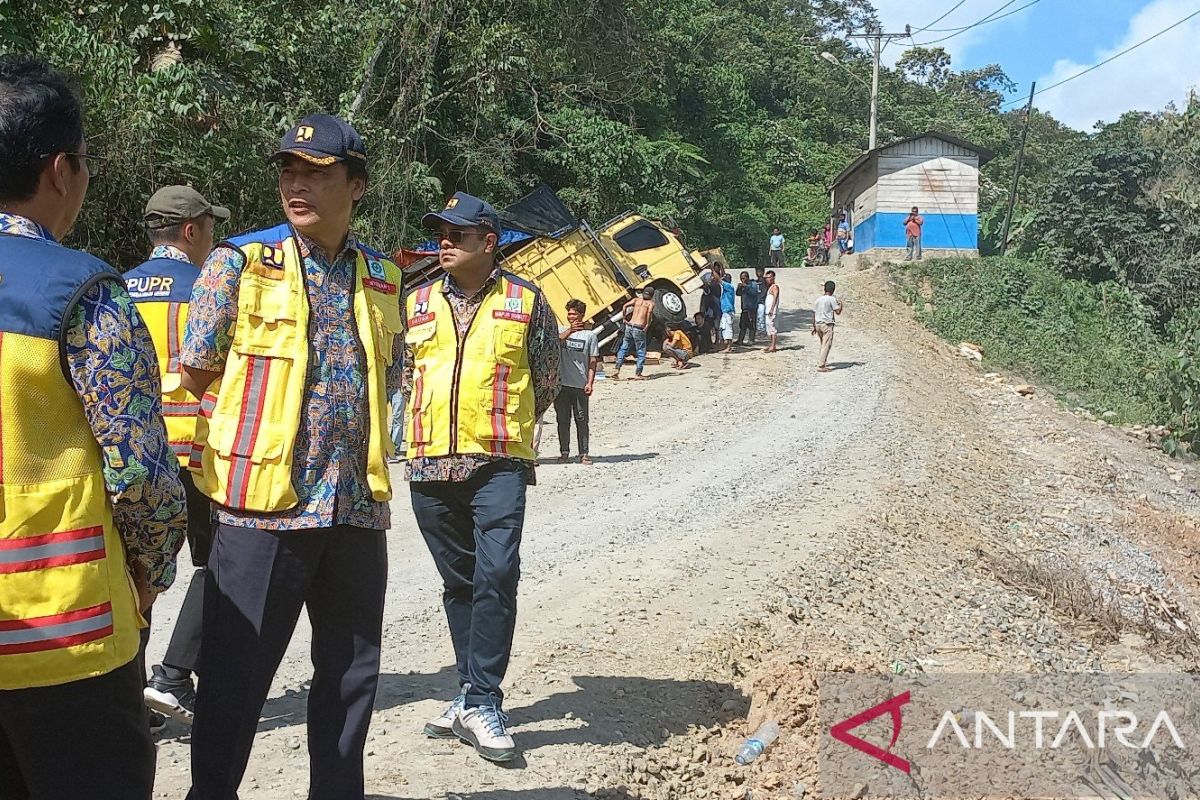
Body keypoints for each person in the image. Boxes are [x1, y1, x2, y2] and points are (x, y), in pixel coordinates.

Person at [181, 114, 404, 800]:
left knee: (349, 679)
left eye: (316, 172)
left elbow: (387, 381)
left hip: (355, 509)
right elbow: (195, 371)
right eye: (288, 171)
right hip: (261, 510)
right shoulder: (241, 264)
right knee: (234, 679)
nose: (296, 184)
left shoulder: (385, 276)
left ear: (356, 185)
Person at [0, 55, 187, 800]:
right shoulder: (83, 292)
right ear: (60, 169)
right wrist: (152, 569)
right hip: (66, 637)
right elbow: (138, 469)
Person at [404, 191, 560, 763]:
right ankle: (468, 694)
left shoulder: (527, 300)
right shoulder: (416, 302)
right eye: (440, 233)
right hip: (428, 462)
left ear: (488, 242)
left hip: (497, 464)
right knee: (459, 584)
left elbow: (545, 379)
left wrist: (502, 428)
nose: (444, 242)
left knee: (497, 575)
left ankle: (485, 697)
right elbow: (404, 376)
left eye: (457, 234)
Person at [125, 185, 229, 727]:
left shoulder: (113, 289)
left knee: (131, 570)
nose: (213, 239)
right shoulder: (208, 287)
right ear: (191, 231)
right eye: (210, 229)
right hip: (196, 452)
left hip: (131, 455)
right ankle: (172, 678)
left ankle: (129, 695)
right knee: (218, 565)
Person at [556, 298, 598, 465]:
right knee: (562, 420)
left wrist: (590, 382)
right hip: (561, 385)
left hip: (580, 385)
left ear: (581, 315)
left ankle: (584, 453)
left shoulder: (590, 336)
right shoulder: (562, 330)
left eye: (574, 314)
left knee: (581, 420)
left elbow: (593, 361)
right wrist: (569, 331)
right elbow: (554, 343)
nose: (570, 316)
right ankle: (564, 452)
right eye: (569, 313)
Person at [611, 285, 655, 380]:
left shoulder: (636, 300)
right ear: (652, 295)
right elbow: (649, 312)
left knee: (624, 347)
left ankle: (617, 369)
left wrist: (624, 318)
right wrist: (647, 324)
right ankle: (638, 373)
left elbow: (625, 306)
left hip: (629, 326)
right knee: (641, 350)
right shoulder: (650, 303)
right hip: (639, 328)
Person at [811, 279, 844, 372]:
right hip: (827, 324)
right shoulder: (832, 299)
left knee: (822, 344)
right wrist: (841, 305)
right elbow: (837, 312)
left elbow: (814, 314)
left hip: (818, 324)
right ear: (833, 290)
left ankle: (822, 361)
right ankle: (821, 365)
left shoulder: (818, 300)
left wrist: (814, 327)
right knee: (826, 345)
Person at [735, 270, 759, 346]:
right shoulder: (742, 286)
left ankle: (751, 340)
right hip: (744, 308)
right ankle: (740, 340)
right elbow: (738, 294)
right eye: (741, 278)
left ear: (747, 278)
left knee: (751, 325)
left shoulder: (753, 284)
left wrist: (746, 287)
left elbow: (754, 293)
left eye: (743, 278)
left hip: (751, 308)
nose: (742, 280)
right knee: (742, 325)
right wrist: (739, 288)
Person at [763, 270, 781, 353]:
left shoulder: (774, 287)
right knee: (769, 328)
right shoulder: (770, 287)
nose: (767, 279)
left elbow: (775, 298)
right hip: (768, 311)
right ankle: (771, 345)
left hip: (771, 311)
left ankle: (773, 346)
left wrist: (772, 309)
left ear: (773, 277)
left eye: (769, 277)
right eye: (766, 278)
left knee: (772, 328)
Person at [719, 272, 736, 352]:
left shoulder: (729, 287)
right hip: (726, 311)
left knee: (728, 328)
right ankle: (727, 346)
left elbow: (719, 280)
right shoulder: (728, 288)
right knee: (724, 327)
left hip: (728, 311)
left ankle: (728, 347)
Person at [753, 265, 768, 334]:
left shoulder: (765, 281)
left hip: (762, 301)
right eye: (757, 271)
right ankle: (758, 328)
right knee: (757, 316)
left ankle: (762, 329)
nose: (758, 273)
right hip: (756, 301)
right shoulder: (755, 281)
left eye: (760, 272)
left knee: (761, 316)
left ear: (763, 272)